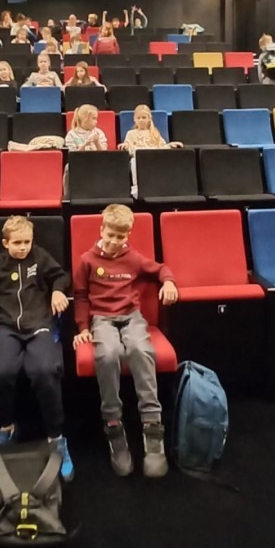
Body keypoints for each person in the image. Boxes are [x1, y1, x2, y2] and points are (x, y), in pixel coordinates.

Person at [0, 216, 74, 480]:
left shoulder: (39, 257)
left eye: (27, 242)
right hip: (7, 327)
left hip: (39, 324)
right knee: (1, 372)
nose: (23, 247)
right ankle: (6, 428)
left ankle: (56, 437)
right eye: (17, 243)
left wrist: (57, 290)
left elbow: (62, 275)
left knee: (44, 371)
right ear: (5, 243)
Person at [72, 204, 177, 478]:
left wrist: (169, 282)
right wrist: (82, 327)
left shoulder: (133, 257)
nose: (115, 242)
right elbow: (80, 296)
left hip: (131, 316)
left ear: (128, 235)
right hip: (102, 319)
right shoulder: (87, 260)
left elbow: (160, 269)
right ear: (102, 230)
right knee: (108, 354)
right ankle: (113, 424)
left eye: (121, 237)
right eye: (111, 235)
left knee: (141, 350)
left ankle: (152, 426)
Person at [120, 104, 183, 197]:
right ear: (134, 119)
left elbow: (162, 147)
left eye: (144, 117)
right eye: (138, 118)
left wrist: (169, 145)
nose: (141, 120)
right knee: (133, 161)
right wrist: (125, 146)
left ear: (149, 118)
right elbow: (129, 149)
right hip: (139, 159)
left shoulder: (155, 133)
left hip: (154, 159)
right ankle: (137, 187)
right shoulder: (131, 133)